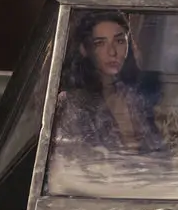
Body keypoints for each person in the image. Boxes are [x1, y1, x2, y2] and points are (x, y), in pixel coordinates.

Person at [54, 10, 165, 154]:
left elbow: (157, 151)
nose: (112, 52)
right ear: (84, 49)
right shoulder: (72, 104)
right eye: (100, 43)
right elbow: (73, 159)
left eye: (119, 41)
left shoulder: (133, 96)